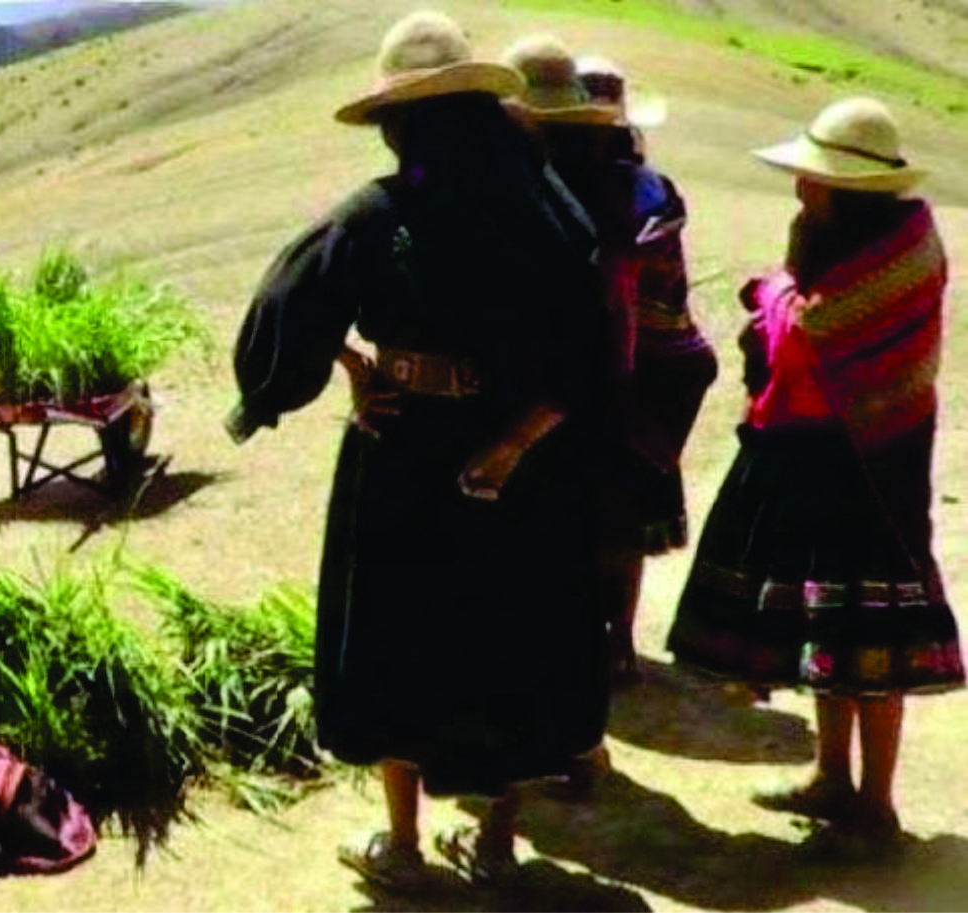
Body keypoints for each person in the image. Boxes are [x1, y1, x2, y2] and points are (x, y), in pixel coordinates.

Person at [226, 11, 612, 889]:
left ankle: (401, 844)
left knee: (395, 633)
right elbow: (587, 353)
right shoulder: (546, 209)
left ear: (399, 122)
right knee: (513, 634)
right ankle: (498, 842)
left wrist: (351, 367)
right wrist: (514, 443)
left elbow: (287, 307)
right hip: (522, 469)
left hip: (402, 450)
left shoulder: (379, 212)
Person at [666, 97, 964, 853]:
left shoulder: (899, 258)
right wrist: (782, 291)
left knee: (873, 632)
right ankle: (832, 776)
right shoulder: (834, 240)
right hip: (816, 456)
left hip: (872, 467)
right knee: (826, 625)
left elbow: (809, 331)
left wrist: (771, 294)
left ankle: (877, 806)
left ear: (846, 187)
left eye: (812, 179)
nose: (800, 191)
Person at [504, 38, 717, 686]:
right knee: (619, 518)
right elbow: (664, 294)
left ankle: (559, 640)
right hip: (639, 376)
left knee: (555, 514)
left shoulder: (531, 184)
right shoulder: (648, 189)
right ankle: (618, 640)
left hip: (558, 381)